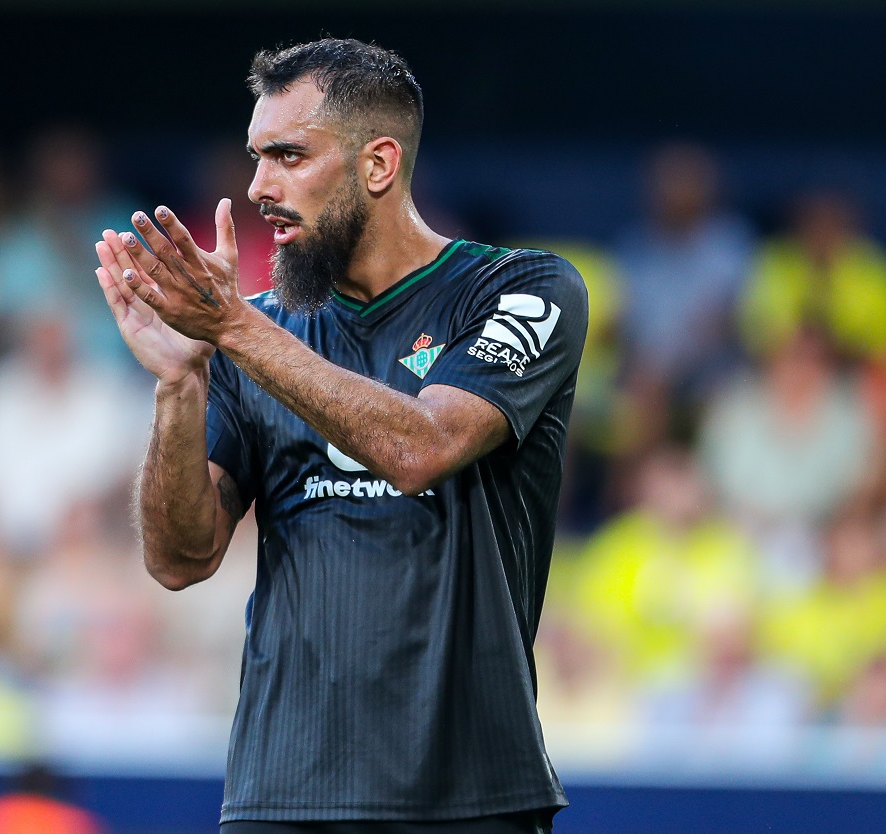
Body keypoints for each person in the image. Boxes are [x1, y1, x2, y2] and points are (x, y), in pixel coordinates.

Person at [93, 39, 587, 834]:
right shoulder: (254, 333)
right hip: (280, 795)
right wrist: (179, 382)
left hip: (467, 795)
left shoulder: (522, 290)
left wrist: (233, 329)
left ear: (379, 165)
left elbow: (422, 448)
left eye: (288, 155)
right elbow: (178, 558)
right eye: (257, 158)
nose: (259, 187)